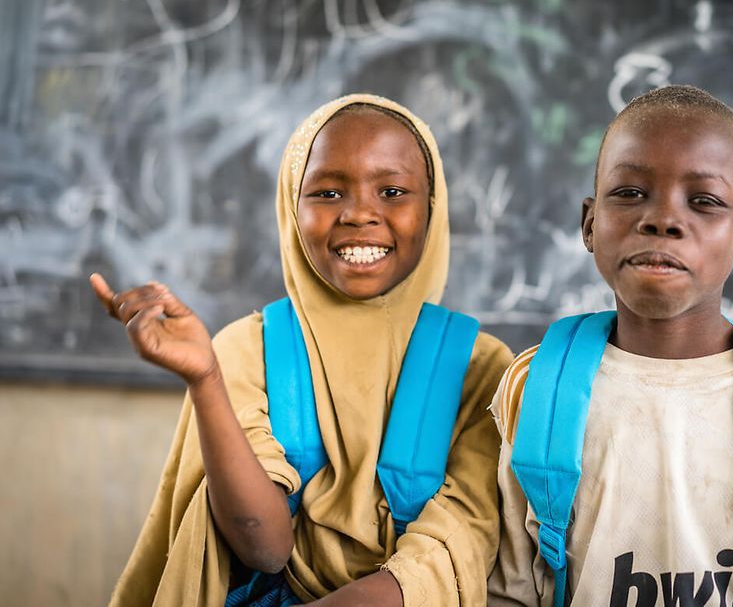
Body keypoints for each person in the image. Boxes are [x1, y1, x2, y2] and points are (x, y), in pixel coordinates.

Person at [93, 94, 513, 606]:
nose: (360, 213)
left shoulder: (482, 370)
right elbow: (265, 548)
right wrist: (205, 379)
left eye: (393, 191)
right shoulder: (247, 351)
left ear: (432, 207)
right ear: (292, 209)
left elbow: (448, 558)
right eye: (329, 193)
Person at [487, 85, 733, 606]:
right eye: (630, 193)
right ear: (590, 223)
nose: (663, 219)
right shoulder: (537, 386)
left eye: (703, 201)